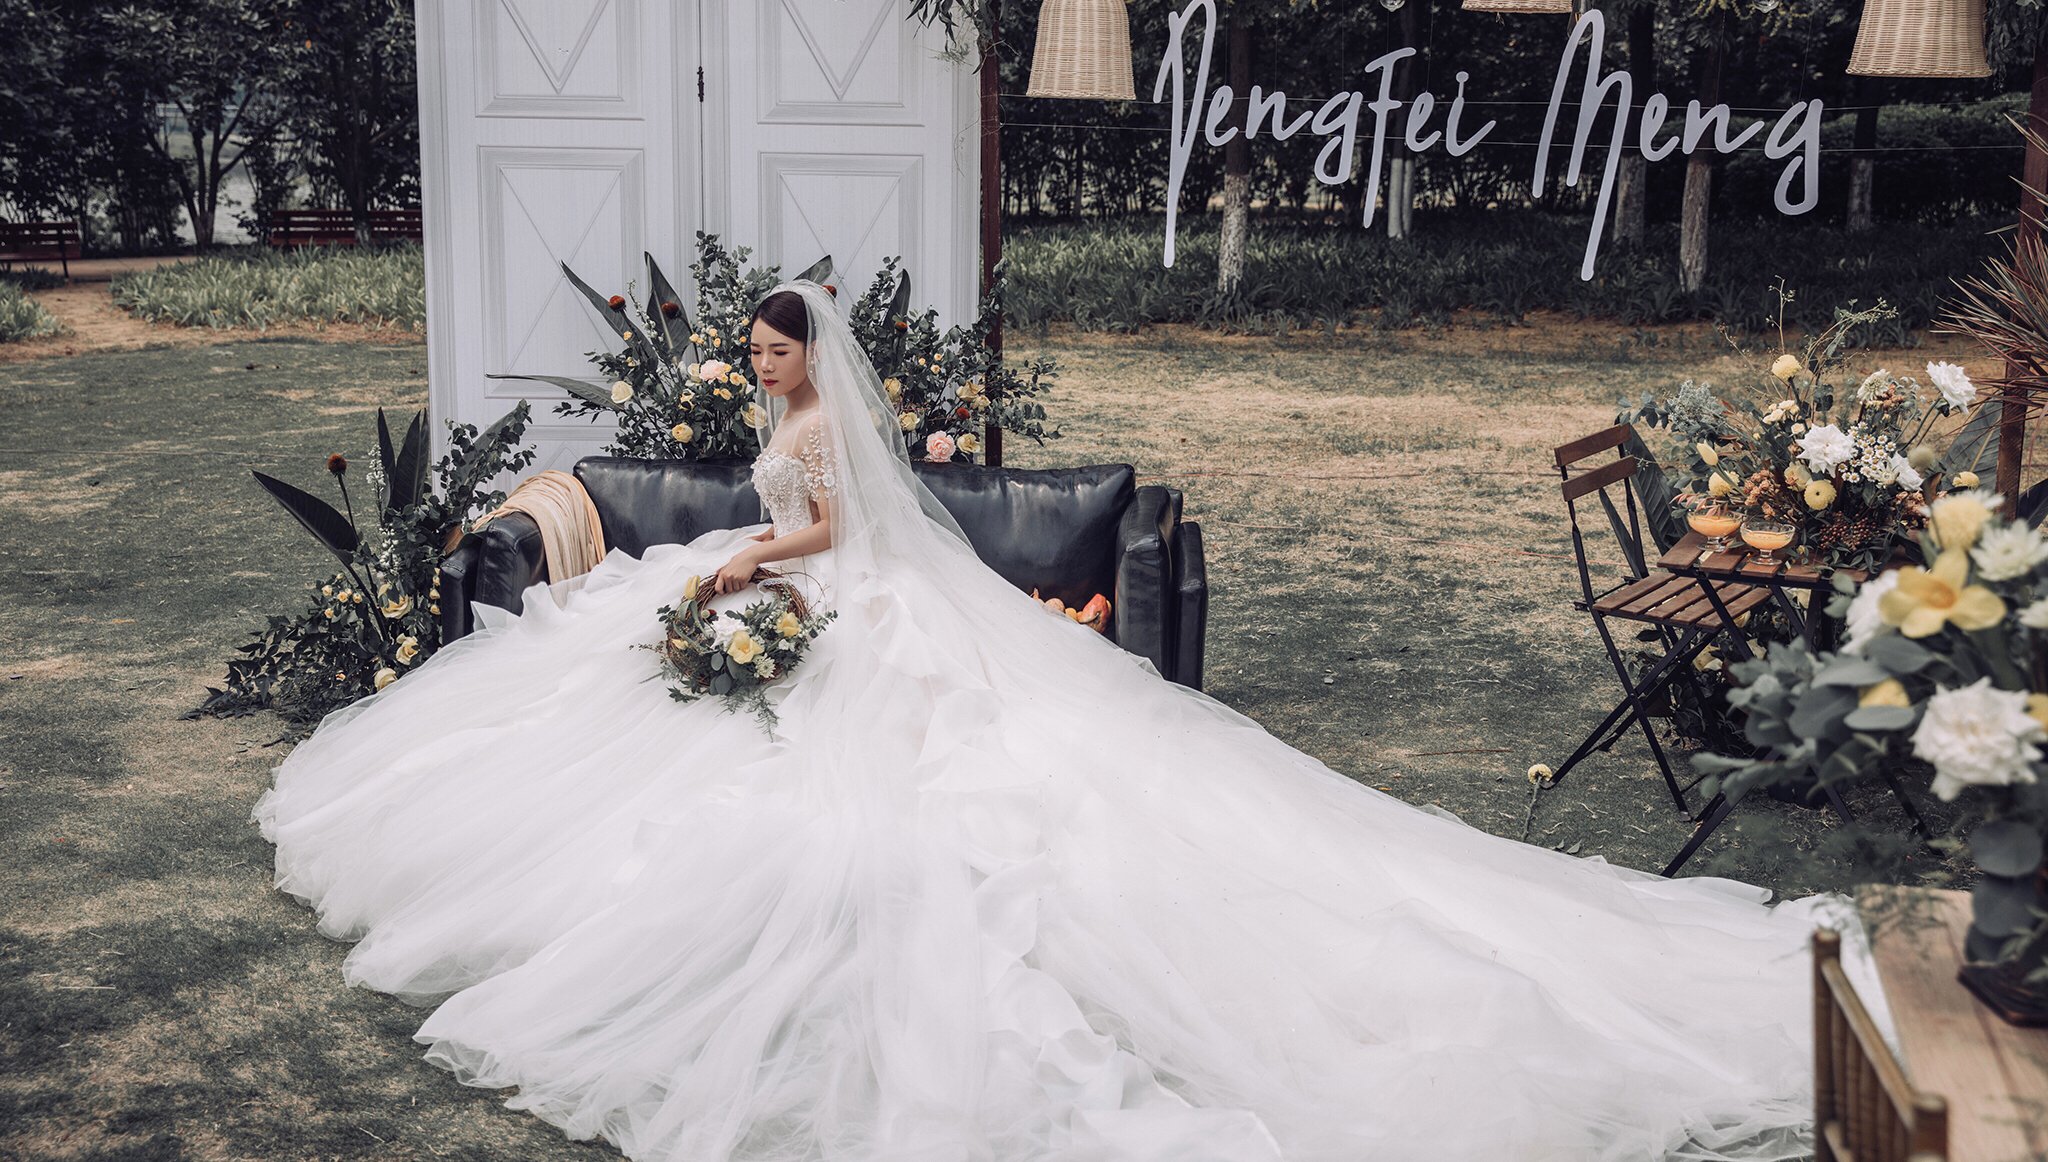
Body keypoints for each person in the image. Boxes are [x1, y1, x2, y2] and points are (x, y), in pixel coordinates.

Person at [256, 280, 1873, 1162]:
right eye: (751, 351)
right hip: (802, 579)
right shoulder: (789, 412)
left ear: (808, 355)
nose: (756, 367)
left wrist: (750, 557)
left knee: (882, 778)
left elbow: (833, 531)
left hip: (830, 589)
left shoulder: (816, 431)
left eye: (770, 350)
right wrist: (740, 553)